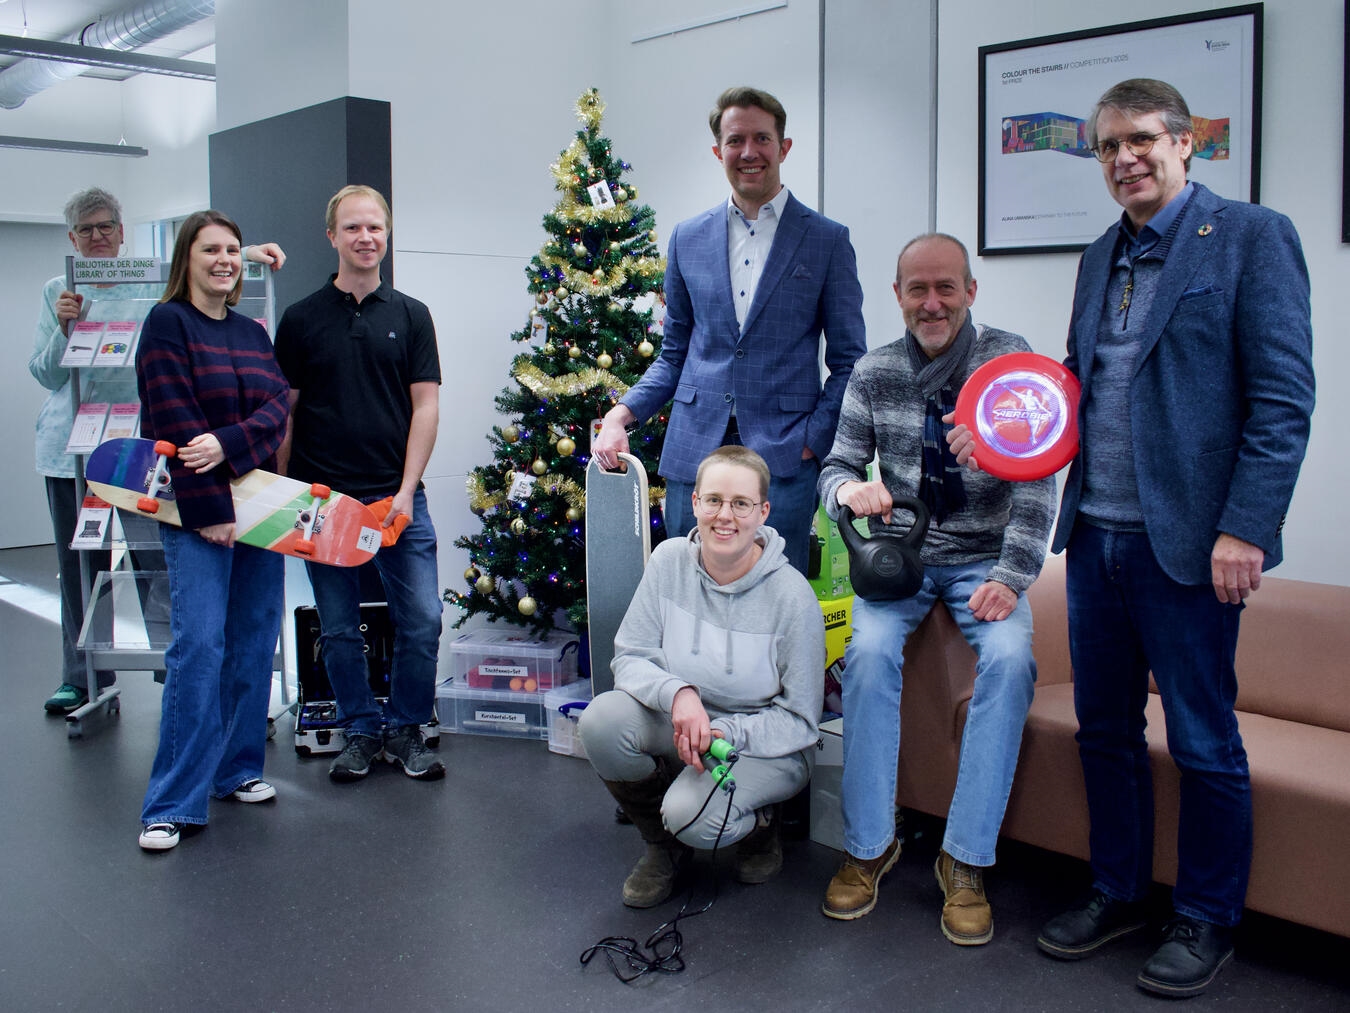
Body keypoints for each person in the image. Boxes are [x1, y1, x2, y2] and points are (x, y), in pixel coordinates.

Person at [1000, 79, 1313, 998]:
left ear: (1185, 143)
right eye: (1108, 146)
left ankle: (1207, 916)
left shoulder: (1252, 237)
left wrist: (1245, 526)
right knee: (1104, 732)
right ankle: (1118, 890)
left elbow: (1283, 400)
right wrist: (1006, 427)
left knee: (1204, 739)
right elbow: (1079, 379)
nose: (1124, 158)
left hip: (1191, 546)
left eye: (1141, 139)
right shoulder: (1101, 253)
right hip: (1095, 536)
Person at [817, 234, 1055, 945]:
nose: (932, 303)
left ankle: (966, 859)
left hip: (986, 558)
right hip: (903, 557)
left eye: (946, 287)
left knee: (1011, 661)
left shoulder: (1010, 363)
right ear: (897, 295)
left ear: (970, 291)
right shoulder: (875, 370)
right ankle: (869, 845)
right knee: (866, 656)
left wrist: (1013, 576)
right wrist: (848, 491)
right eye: (916, 289)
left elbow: (1039, 478)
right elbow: (836, 465)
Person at [591, 86, 866, 575]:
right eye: (736, 140)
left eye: (762, 138)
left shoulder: (827, 240)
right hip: (695, 449)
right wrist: (619, 416)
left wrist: (813, 438)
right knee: (688, 589)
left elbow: (849, 361)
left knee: (776, 591)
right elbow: (673, 354)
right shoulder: (687, 238)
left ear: (784, 148)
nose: (749, 152)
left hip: (784, 454)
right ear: (719, 152)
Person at [29, 186, 284, 716]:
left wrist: (249, 253)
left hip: (149, 452)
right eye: (85, 230)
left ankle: (177, 672)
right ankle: (81, 677)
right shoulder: (60, 288)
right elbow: (46, 373)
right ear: (72, 239)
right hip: (73, 450)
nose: (97, 236)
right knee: (79, 568)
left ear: (122, 232)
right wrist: (62, 330)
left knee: (161, 566)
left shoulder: (153, 289)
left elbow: (203, 264)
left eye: (106, 226)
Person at [577, 445, 824, 908]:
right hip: (685, 725)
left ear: (763, 512)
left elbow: (801, 721)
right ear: (694, 503)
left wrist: (726, 732)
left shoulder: (792, 598)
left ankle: (760, 825)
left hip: (761, 745)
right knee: (601, 721)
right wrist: (678, 694)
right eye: (713, 500)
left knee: (690, 817)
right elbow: (630, 657)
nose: (724, 516)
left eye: (741, 503)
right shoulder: (668, 561)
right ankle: (663, 847)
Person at [275, 185, 444, 783]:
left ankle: (405, 728)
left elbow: (426, 407)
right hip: (323, 503)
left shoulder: (412, 315)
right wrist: (284, 493)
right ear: (332, 236)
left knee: (423, 620)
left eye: (374, 227)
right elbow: (286, 413)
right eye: (352, 228)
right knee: (340, 628)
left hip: (397, 499)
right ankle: (361, 730)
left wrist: (407, 490)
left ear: (386, 235)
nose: (365, 237)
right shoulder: (300, 319)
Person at [134, 210, 292, 851]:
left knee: (252, 641)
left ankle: (237, 770)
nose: (224, 260)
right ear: (187, 259)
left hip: (259, 504)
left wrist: (227, 441)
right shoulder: (167, 323)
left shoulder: (252, 333)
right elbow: (173, 419)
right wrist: (212, 510)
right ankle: (172, 802)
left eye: (232, 250)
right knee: (199, 647)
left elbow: (277, 406)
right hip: (197, 510)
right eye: (211, 250)